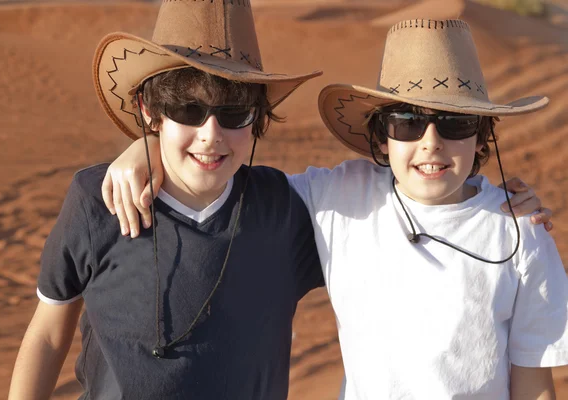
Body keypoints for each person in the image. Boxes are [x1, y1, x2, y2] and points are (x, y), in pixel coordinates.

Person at [102, 19, 567, 399]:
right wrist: (144, 148)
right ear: (381, 136)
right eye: (407, 122)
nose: (431, 141)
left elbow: (535, 384)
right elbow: (217, 173)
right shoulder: (339, 197)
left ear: (482, 136)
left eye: (455, 122)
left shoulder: (521, 233)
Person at [8, 2, 324, 399]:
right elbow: (49, 335)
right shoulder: (98, 200)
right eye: (188, 110)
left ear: (257, 118)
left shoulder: (283, 210)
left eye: (234, 113)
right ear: (150, 110)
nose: (211, 134)